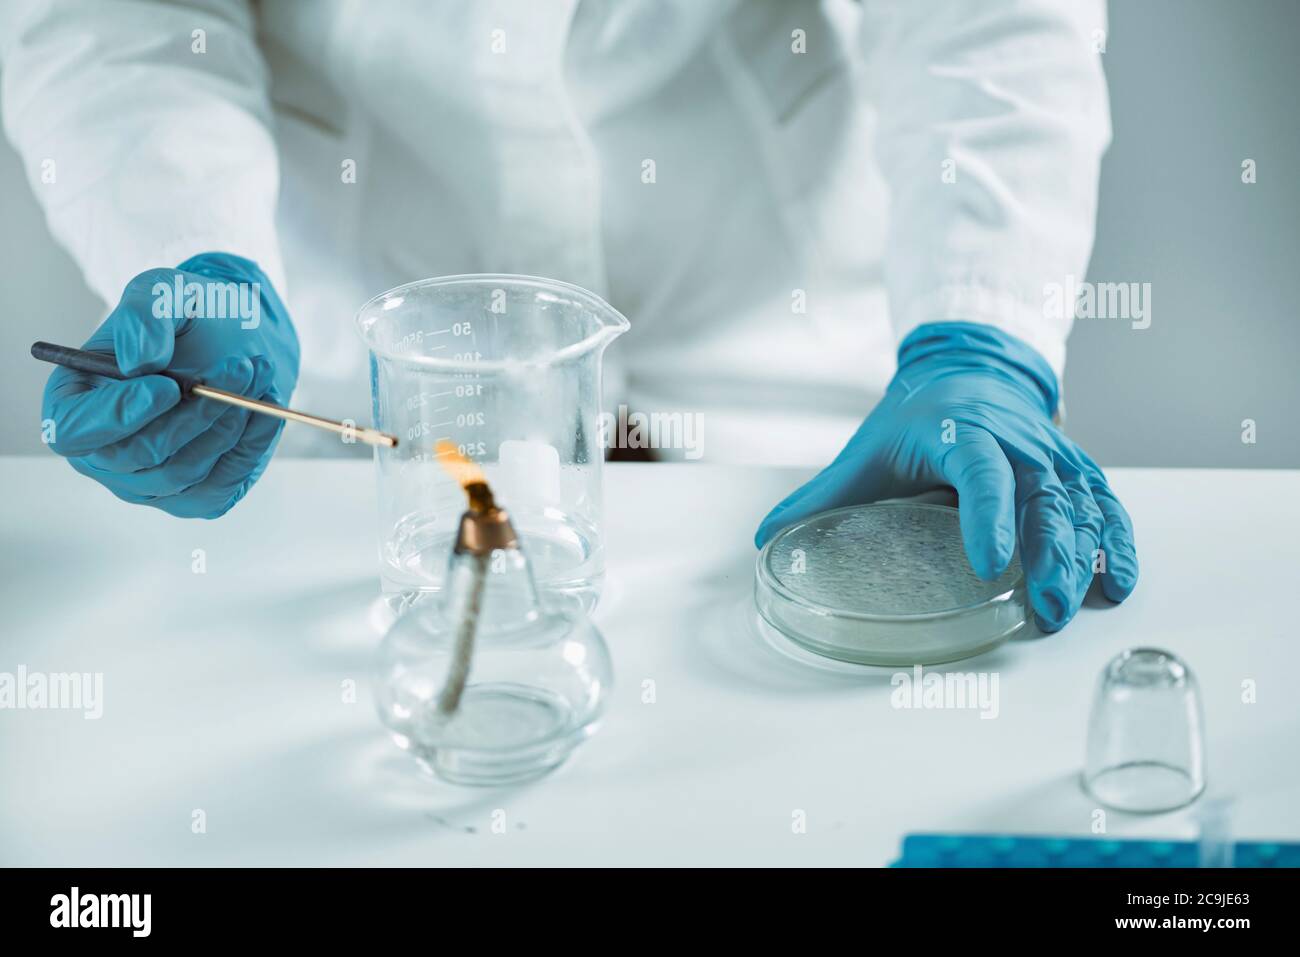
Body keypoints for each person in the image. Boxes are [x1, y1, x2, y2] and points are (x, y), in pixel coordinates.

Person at [1, 0, 1135, 631]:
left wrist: (978, 329)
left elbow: (988, 18)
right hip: (350, 378)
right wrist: (191, 251)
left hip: (790, 387)